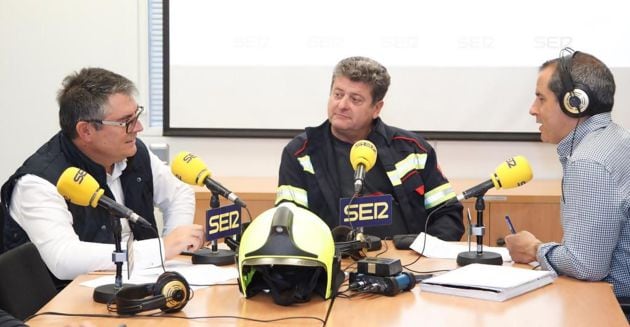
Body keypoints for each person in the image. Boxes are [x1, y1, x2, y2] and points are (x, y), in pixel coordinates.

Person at [0, 68, 204, 288]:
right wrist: (160, 249)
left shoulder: (132, 152)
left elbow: (179, 194)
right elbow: (64, 259)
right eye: (126, 121)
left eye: (137, 115)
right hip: (66, 304)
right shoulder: (38, 182)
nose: (138, 128)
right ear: (86, 130)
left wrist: (174, 248)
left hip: (134, 288)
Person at [276, 56, 464, 240]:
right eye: (338, 94)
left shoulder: (414, 150)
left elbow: (447, 215)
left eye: (355, 99)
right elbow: (290, 226)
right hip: (332, 266)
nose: (342, 105)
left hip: (408, 266)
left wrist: (420, 257)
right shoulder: (300, 153)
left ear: (376, 108)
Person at [504, 49, 630, 301]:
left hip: (614, 307)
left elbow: (586, 265)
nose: (532, 110)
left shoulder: (589, 162)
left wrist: (535, 249)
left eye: (541, 99)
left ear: (574, 103)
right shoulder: (616, 139)